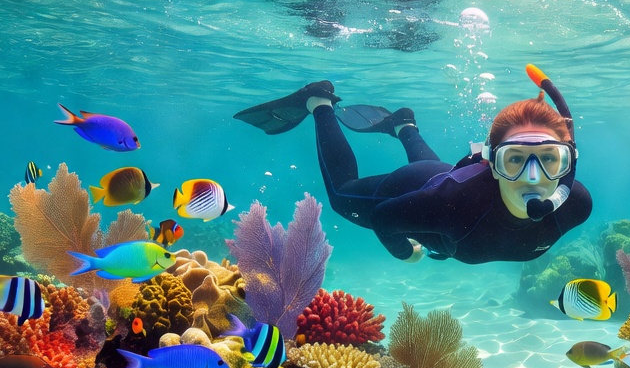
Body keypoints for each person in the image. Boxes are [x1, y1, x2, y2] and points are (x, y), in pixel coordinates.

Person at [234, 68, 591, 264]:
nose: (533, 177)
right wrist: (405, 252)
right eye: (514, 159)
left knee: (440, 175)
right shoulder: (448, 204)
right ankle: (319, 102)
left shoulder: (577, 205)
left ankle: (405, 125)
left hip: (443, 185)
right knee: (343, 196)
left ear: (569, 163)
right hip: (418, 186)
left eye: (549, 159)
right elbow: (383, 218)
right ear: (491, 162)